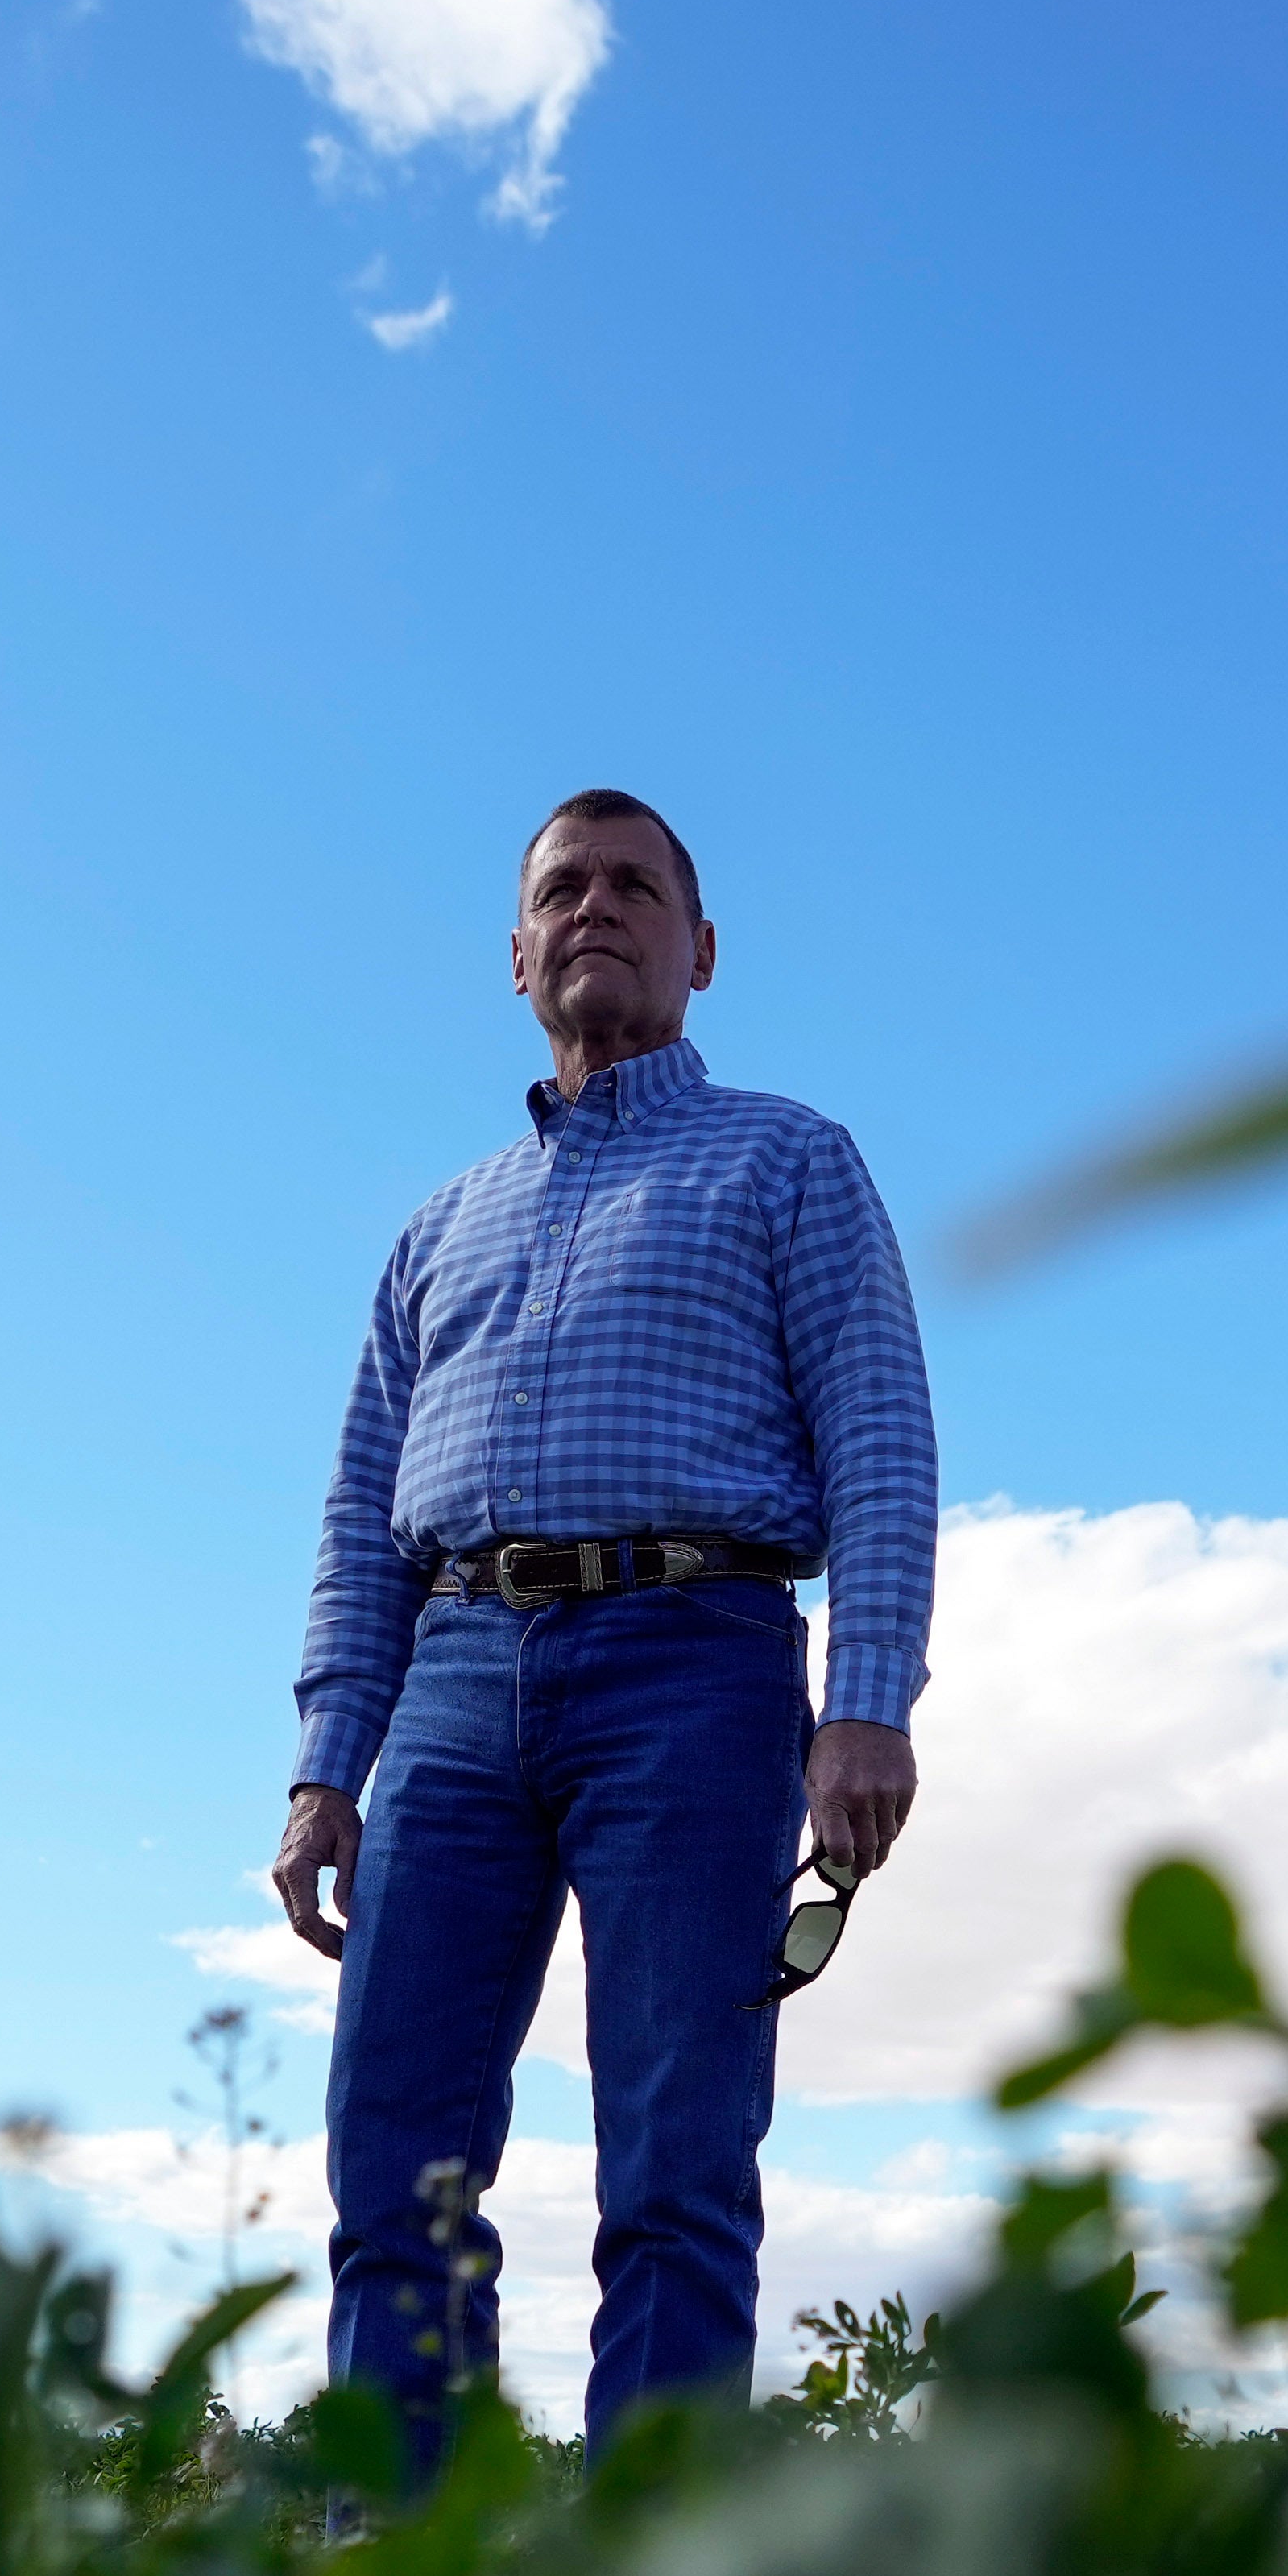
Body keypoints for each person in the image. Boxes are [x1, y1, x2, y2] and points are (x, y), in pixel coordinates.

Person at [277, 790, 934, 2457]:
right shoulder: (438, 1227)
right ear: (513, 956)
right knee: (395, 2159)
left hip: (696, 1667)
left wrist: (864, 1702)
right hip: (452, 1675)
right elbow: (362, 1517)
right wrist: (322, 1763)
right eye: (562, 888)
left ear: (700, 950)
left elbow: (878, 1433)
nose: (598, 908)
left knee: (676, 2161)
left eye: (637, 887)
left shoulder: (790, 1159)